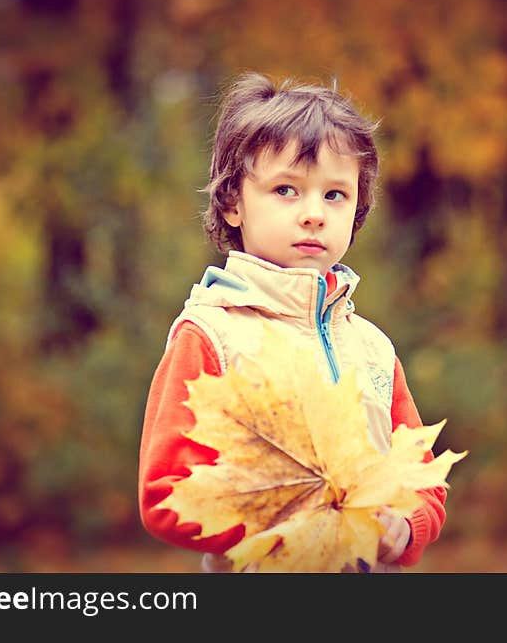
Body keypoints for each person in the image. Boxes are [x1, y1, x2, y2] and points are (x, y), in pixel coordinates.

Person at [138, 72, 447, 572]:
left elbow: (421, 477)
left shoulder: (371, 349)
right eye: (286, 189)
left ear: (356, 209)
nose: (313, 214)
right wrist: (284, 515)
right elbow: (167, 491)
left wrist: (406, 524)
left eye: (334, 195)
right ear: (234, 204)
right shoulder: (213, 335)